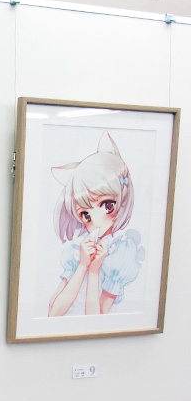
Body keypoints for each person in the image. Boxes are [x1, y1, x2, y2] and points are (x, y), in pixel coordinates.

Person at [48, 132, 144, 317]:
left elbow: (96, 319)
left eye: (107, 205)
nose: (97, 220)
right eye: (85, 215)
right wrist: (83, 265)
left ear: (122, 200)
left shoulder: (121, 253)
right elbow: (53, 312)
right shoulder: (80, 250)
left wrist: (94, 270)